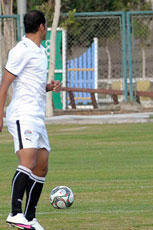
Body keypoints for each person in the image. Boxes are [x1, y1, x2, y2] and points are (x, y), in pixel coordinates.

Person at [0, 10, 61, 230]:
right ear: (42, 27)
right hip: (22, 114)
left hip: (37, 115)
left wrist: (48, 87)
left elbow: (30, 83)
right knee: (27, 162)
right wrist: (0, 114)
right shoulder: (21, 50)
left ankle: (29, 216)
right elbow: (5, 83)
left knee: (42, 165)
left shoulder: (38, 51)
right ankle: (15, 213)